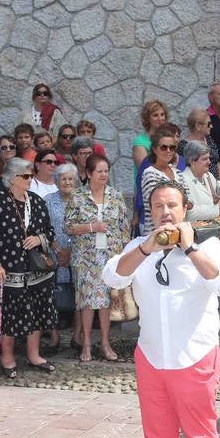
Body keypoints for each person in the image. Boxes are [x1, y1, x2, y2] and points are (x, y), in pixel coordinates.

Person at [104, 180, 220, 438]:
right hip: (151, 358)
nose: (166, 212)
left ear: (185, 209)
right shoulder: (139, 247)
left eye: (172, 206)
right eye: (158, 206)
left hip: (194, 357)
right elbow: (112, 275)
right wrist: (147, 247)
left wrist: (189, 246)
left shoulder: (207, 246)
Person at [0, 157, 58, 378]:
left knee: (36, 314)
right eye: (25, 176)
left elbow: (49, 232)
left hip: (36, 271)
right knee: (9, 317)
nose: (30, 179)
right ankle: (7, 358)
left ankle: (34, 355)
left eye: (31, 175)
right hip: (8, 270)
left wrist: (38, 239)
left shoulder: (36, 201)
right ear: (11, 178)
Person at [67, 153, 130, 363]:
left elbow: (124, 226)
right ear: (88, 173)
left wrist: (123, 254)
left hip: (109, 257)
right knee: (86, 302)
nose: (104, 175)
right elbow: (68, 227)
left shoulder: (116, 195)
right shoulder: (77, 197)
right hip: (85, 258)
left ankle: (105, 342)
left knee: (106, 301)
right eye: (99, 171)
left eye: (106, 171)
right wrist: (91, 227)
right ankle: (86, 344)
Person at [44, 163, 80, 353]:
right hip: (53, 255)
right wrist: (57, 249)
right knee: (50, 297)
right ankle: (54, 337)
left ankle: (77, 335)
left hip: (78, 255)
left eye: (70, 179)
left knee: (79, 297)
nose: (67, 182)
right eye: (63, 179)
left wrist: (71, 251)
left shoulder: (83, 200)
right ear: (56, 182)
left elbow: (85, 228)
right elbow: (42, 227)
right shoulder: (48, 200)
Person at [140, 128, 181, 230]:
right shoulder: (149, 173)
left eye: (172, 147)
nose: (168, 151)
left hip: (176, 233)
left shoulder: (178, 173)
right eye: (163, 147)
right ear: (154, 149)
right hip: (155, 234)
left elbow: (190, 204)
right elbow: (158, 202)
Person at [180, 140, 220, 222]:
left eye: (209, 158)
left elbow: (219, 204)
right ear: (192, 161)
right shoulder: (183, 180)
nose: (209, 162)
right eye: (204, 159)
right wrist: (217, 207)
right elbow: (190, 213)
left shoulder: (210, 177)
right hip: (195, 232)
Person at [183, 107, 220, 184]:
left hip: (217, 185)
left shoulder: (209, 140)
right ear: (198, 126)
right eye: (209, 124)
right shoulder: (185, 145)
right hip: (199, 186)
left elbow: (217, 165)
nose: (211, 126)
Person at [132, 99, 169, 169]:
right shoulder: (140, 142)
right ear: (147, 118)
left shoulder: (168, 139)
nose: (160, 118)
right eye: (155, 115)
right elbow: (145, 169)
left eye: (162, 114)